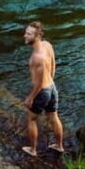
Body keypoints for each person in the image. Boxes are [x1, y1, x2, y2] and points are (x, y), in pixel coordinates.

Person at [21, 21, 64, 156]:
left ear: (37, 36)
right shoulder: (47, 45)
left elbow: (38, 84)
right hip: (52, 87)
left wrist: (30, 98)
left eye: (29, 34)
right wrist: (50, 80)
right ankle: (59, 146)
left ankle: (32, 150)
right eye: (26, 33)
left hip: (42, 92)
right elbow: (53, 65)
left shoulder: (36, 58)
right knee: (53, 117)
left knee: (31, 119)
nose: (25, 36)